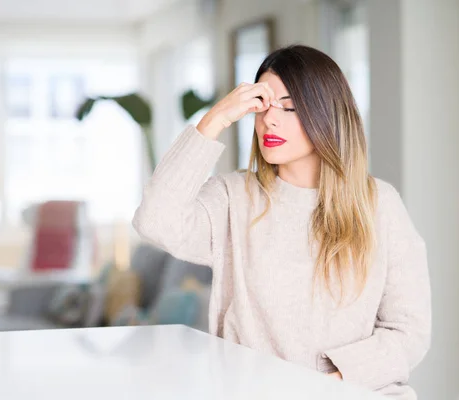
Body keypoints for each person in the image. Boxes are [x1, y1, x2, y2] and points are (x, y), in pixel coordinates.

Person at [132, 44, 431, 399]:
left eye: (288, 107)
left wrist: (325, 384)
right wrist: (216, 120)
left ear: (326, 114)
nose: (269, 120)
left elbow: (407, 331)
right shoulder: (233, 198)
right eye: (262, 107)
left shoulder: (380, 204)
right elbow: (155, 220)